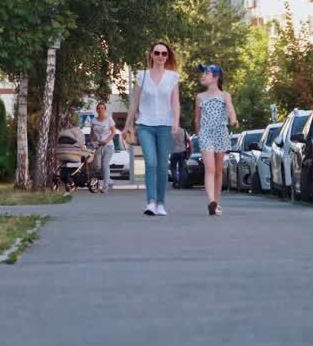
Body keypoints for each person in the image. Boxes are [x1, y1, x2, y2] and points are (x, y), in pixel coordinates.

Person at [123, 41, 181, 216]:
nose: (161, 56)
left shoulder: (172, 77)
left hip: (166, 125)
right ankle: (151, 202)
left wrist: (176, 121)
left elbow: (175, 102)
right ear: (151, 55)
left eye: (164, 54)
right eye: (157, 53)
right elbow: (135, 102)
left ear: (167, 56)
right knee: (151, 162)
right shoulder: (142, 76)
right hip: (145, 125)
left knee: (163, 165)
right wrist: (128, 124)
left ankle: (161, 203)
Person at [194, 63, 238, 216]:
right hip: (206, 134)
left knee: (218, 171)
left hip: (221, 132)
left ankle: (216, 204)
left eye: (206, 73)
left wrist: (233, 120)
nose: (203, 76)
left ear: (216, 77)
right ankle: (211, 201)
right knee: (210, 169)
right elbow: (197, 119)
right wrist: (199, 135)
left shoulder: (225, 95)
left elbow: (230, 109)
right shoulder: (200, 97)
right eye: (203, 73)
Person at [89, 102, 117, 192]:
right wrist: (92, 141)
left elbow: (113, 132)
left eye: (102, 108)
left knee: (105, 164)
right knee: (100, 167)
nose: (100, 110)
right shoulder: (93, 120)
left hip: (108, 146)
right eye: (99, 108)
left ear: (105, 110)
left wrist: (106, 140)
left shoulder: (109, 119)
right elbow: (92, 133)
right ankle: (109, 181)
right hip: (98, 146)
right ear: (97, 110)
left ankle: (105, 187)